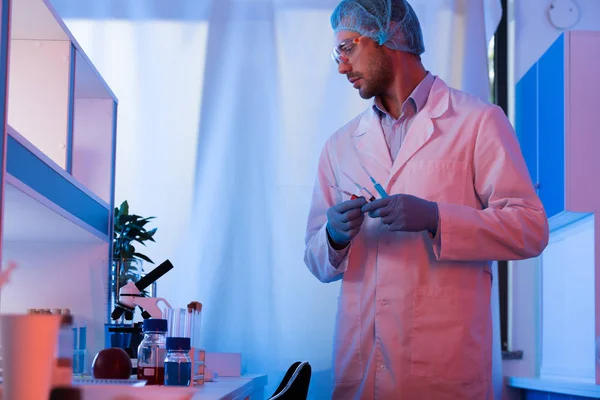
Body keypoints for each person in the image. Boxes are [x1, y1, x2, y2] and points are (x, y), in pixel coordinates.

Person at [303, 0, 549, 398]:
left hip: (444, 367)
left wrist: (437, 217)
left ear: (388, 37)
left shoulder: (477, 122)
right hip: (363, 367)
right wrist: (332, 235)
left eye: (347, 48)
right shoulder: (341, 145)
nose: (341, 66)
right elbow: (316, 261)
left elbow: (530, 228)